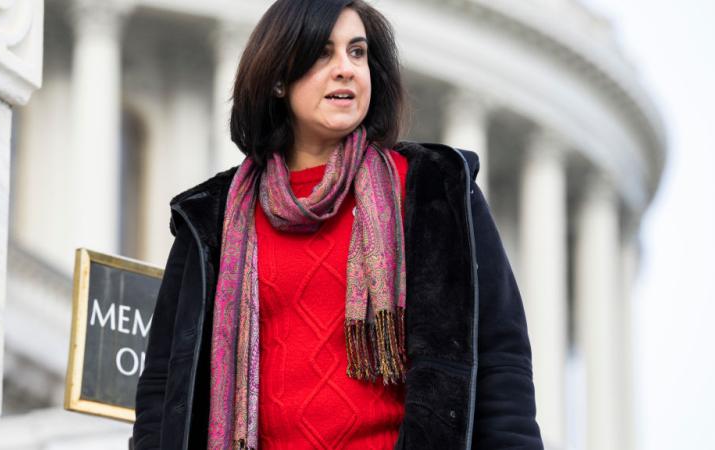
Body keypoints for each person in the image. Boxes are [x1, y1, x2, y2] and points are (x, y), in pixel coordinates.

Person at [133, 0, 543, 448]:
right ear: (277, 78)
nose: (345, 69)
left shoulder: (435, 190)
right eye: (322, 53)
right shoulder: (211, 217)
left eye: (357, 52)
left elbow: (500, 360)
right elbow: (163, 387)